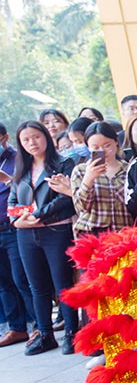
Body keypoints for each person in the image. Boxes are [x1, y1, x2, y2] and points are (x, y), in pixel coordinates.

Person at [8, 121, 78, 355]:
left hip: (56, 231)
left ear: (46, 137)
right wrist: (16, 220)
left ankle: (71, 333)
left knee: (63, 284)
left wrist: (37, 215)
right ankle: (45, 334)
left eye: (36, 137)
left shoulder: (63, 163)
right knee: (36, 286)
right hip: (26, 232)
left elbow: (66, 199)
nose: (32, 143)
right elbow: (12, 202)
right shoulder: (21, 169)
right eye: (26, 140)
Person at [0, 123, 38, 348]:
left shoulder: (18, 160)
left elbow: (27, 190)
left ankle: (38, 326)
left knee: (22, 278)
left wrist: (6, 179)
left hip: (14, 228)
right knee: (4, 283)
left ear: (4, 138)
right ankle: (16, 327)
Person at [69, 121, 131, 238]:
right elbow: (81, 207)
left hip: (124, 233)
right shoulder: (81, 170)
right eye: (95, 147)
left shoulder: (128, 169)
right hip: (93, 234)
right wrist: (89, 179)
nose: (102, 151)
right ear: (88, 147)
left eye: (107, 145)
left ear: (116, 141)